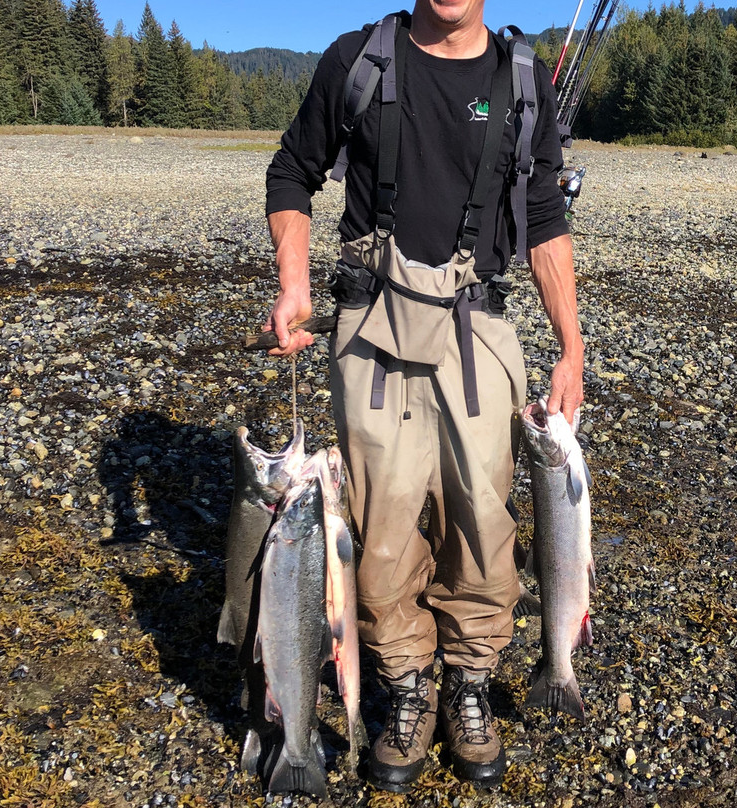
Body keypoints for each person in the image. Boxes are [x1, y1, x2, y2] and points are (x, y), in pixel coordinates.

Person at [262, 0, 584, 793]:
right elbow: (291, 172)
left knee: (485, 514)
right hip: (370, 324)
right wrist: (294, 281)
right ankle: (407, 684)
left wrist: (572, 345)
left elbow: (544, 214)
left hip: (480, 330)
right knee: (381, 521)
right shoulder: (357, 61)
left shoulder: (524, 81)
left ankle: (470, 683)